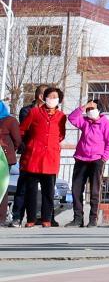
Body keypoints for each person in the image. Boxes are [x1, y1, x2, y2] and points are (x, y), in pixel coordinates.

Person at [20, 86, 67, 227]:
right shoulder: (34, 112)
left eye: (55, 97)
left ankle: (47, 219)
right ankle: (31, 219)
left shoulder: (61, 116)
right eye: (50, 96)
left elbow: (61, 135)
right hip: (34, 157)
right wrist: (29, 144)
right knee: (31, 191)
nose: (53, 99)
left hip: (50, 158)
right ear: (44, 98)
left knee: (48, 192)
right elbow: (23, 129)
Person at [66, 100, 109, 226]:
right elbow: (71, 118)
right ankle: (78, 218)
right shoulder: (84, 122)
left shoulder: (106, 124)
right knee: (76, 190)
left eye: (92, 108)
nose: (90, 111)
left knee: (95, 190)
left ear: (99, 110)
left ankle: (93, 219)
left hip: (97, 160)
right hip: (81, 159)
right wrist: (84, 107)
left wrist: (103, 158)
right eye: (88, 109)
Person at [9, 85, 48, 227]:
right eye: (48, 95)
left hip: (45, 155)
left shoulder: (52, 113)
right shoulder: (27, 110)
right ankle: (17, 216)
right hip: (29, 153)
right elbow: (29, 129)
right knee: (23, 186)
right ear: (41, 96)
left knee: (45, 188)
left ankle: (42, 217)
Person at [0, 101, 22, 226]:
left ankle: (1, 217)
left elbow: (17, 140)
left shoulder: (10, 121)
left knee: (1, 187)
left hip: (3, 159)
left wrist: (10, 151)